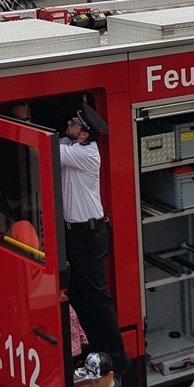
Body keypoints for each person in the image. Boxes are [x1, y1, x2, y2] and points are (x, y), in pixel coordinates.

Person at [59, 104, 127, 372]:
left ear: (85, 134)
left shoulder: (84, 154)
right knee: (79, 293)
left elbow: (44, 146)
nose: (68, 125)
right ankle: (92, 349)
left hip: (88, 234)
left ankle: (117, 359)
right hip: (76, 233)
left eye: (73, 123)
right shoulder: (73, 146)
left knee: (96, 297)